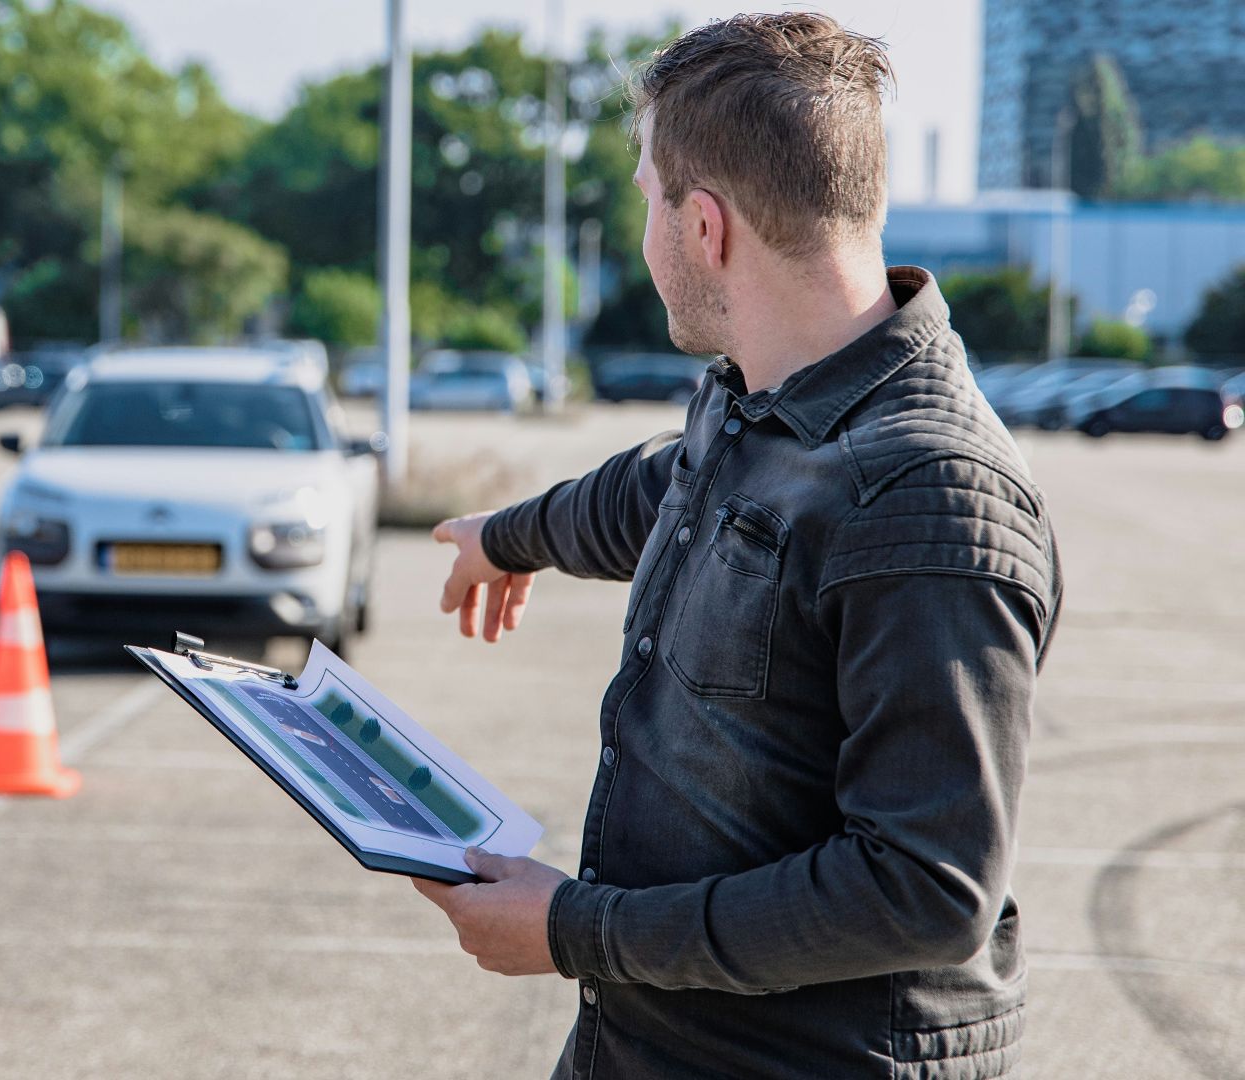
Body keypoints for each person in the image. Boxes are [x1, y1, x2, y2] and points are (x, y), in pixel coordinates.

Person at [417, 14, 1061, 1080]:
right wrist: (508, 536)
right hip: (656, 1041)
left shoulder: (931, 497)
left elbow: (924, 887)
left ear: (705, 227)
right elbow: (665, 488)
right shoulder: (763, 400)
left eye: (646, 206)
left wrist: (575, 930)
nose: (644, 237)